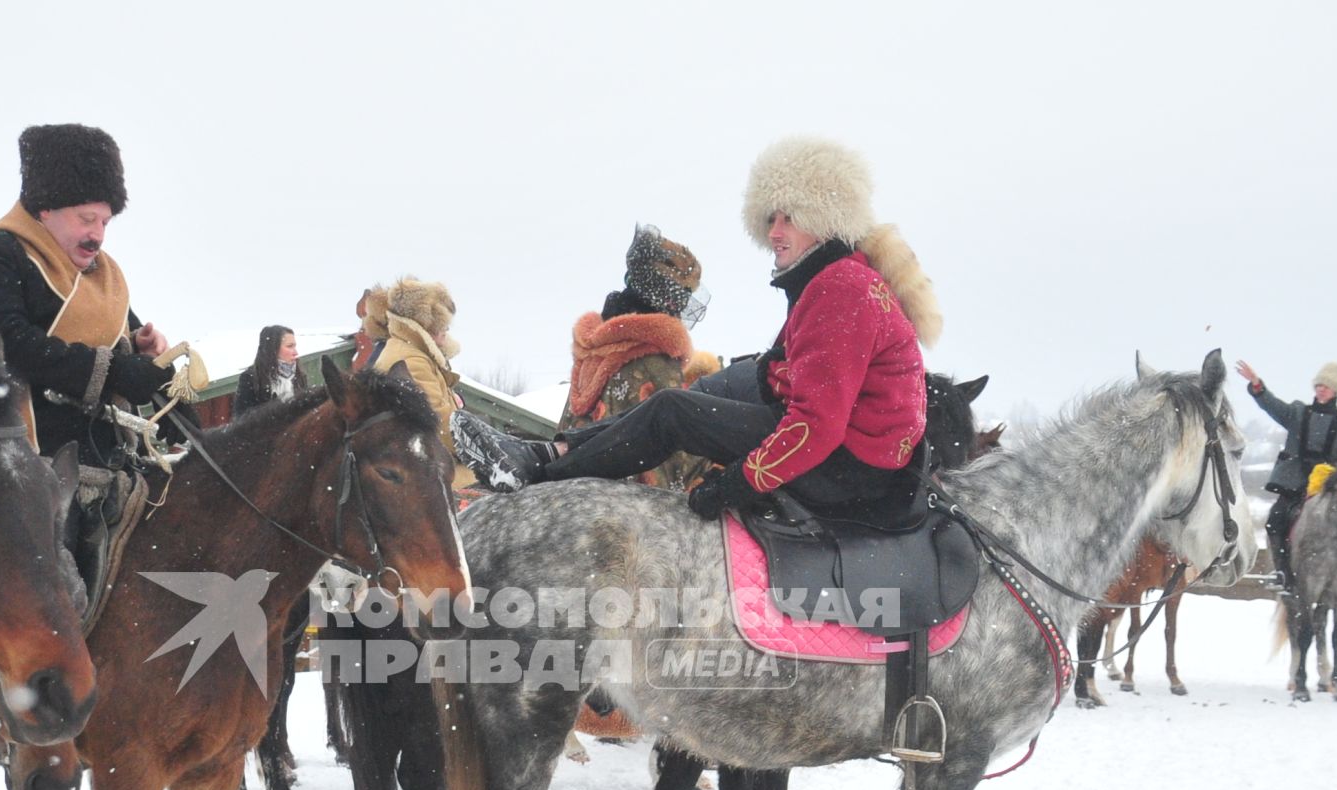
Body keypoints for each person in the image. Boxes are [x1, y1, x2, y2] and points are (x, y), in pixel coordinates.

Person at [454, 136, 941, 521]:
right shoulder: (837, 280)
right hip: (858, 454)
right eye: (770, 218)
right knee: (708, 389)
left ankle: (542, 476)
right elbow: (797, 374)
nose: (774, 232)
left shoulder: (841, 289)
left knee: (672, 408)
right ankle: (543, 452)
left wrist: (742, 482)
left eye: (789, 218)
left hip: (848, 467)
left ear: (825, 217)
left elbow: (819, 424)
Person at [0, 124, 175, 461]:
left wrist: (144, 352)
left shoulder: (104, 276)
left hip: (114, 463)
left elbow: (125, 356)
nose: (97, 236)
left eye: (105, 223)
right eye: (87, 219)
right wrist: (116, 372)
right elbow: (6, 342)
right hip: (26, 468)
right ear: (45, 209)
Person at [558, 224, 710, 491]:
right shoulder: (656, 362)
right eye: (682, 294)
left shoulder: (593, 349)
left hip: (573, 490)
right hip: (630, 511)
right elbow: (678, 460)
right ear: (665, 296)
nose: (684, 305)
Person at [1234, 357, 1337, 593]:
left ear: (1336, 391)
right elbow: (1272, 405)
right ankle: (1283, 574)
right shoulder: (1298, 412)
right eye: (1318, 385)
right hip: (1294, 482)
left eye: (1326, 386)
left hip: (1329, 484)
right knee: (1275, 520)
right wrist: (1257, 384)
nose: (1321, 389)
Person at [372, 275, 474, 490]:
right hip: (428, 473)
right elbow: (439, 423)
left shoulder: (410, 352)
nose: (447, 330)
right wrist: (480, 450)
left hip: (426, 465)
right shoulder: (411, 359)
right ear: (426, 325)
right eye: (442, 325)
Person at [233, 324, 308, 415]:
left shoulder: (300, 376)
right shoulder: (250, 378)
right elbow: (242, 419)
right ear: (273, 348)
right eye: (289, 346)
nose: (296, 352)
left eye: (294, 346)